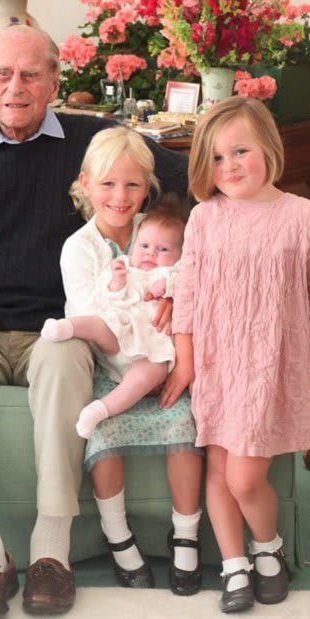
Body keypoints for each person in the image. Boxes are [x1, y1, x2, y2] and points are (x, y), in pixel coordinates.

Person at [0, 24, 187, 619]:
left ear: (55, 82)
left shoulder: (93, 142)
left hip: (53, 332)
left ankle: (50, 552)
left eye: (31, 73)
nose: (16, 86)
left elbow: (183, 182)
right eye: (3, 74)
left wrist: (186, 267)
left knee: (64, 355)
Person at [161, 96, 310, 613]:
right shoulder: (205, 219)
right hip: (219, 364)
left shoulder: (301, 216)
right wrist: (188, 359)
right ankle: (235, 563)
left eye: (241, 151)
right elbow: (189, 297)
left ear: (268, 146)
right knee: (218, 471)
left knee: (244, 476)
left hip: (271, 366)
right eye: (217, 158)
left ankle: (269, 545)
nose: (230, 166)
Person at [47, 127, 203, 595]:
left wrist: (175, 305)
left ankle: (187, 537)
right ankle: (119, 539)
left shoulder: (157, 231)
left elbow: (188, 278)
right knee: (102, 439)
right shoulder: (80, 248)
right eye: (109, 184)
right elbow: (89, 318)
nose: (121, 196)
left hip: (161, 359)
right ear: (86, 185)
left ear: (148, 188)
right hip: (109, 364)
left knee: (184, 429)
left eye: (133, 185)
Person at [45, 180, 186, 440]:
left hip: (152, 349)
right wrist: (117, 282)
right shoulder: (124, 266)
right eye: (144, 246)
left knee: (148, 375)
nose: (151, 254)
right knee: (98, 324)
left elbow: (188, 286)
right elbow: (107, 296)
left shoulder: (174, 272)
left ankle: (100, 410)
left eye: (163, 249)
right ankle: (64, 327)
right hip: (118, 332)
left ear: (179, 254)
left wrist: (166, 287)